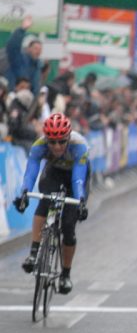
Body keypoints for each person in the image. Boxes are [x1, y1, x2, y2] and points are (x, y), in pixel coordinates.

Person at [13, 113, 90, 294]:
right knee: (44, 201)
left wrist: (80, 201)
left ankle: (65, 274)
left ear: (68, 138)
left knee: (69, 228)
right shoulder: (39, 145)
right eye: (52, 142)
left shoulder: (80, 146)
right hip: (54, 173)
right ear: (46, 139)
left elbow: (78, 178)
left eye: (61, 142)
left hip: (75, 178)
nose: (56, 146)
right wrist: (24, 192)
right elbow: (31, 172)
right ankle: (34, 254)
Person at [5, 16, 43, 96]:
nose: (38, 51)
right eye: (35, 48)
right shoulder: (19, 60)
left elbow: (35, 87)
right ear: (28, 49)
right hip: (13, 98)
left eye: (40, 49)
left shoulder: (38, 67)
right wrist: (22, 29)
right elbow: (12, 47)